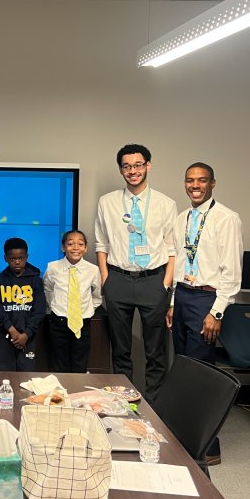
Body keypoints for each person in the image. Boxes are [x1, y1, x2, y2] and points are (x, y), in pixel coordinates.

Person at [167, 162, 243, 465]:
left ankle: (209, 446)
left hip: (208, 300)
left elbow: (232, 272)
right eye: (189, 180)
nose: (194, 185)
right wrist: (173, 301)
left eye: (201, 180)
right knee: (184, 368)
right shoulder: (182, 218)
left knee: (202, 372)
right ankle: (185, 436)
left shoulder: (226, 218)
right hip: (184, 295)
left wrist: (217, 313)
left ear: (213, 183)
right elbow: (181, 264)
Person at [94, 144, 177, 402]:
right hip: (118, 280)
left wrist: (164, 285)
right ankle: (124, 403)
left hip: (153, 280)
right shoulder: (107, 203)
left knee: (156, 351)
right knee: (120, 350)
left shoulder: (166, 203)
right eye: (127, 166)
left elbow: (172, 249)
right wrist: (107, 281)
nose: (133, 171)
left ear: (148, 166)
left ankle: (155, 406)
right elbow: (101, 245)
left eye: (138, 165)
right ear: (121, 170)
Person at [43, 230, 102, 373]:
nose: (76, 247)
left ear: (86, 248)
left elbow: (97, 295)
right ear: (63, 247)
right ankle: (60, 394)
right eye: (70, 244)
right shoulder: (53, 267)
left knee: (80, 361)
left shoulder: (93, 270)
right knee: (59, 362)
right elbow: (48, 288)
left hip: (83, 322)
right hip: (59, 321)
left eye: (80, 244)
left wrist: (86, 309)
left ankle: (77, 393)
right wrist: (54, 306)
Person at [0, 238, 47, 371]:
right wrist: (12, 331)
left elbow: (39, 310)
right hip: (5, 337)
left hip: (28, 337)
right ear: (5, 258)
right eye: (12, 258)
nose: (17, 262)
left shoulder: (35, 280)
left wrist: (26, 334)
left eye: (21, 258)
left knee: (26, 376)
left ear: (27, 257)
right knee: (4, 375)